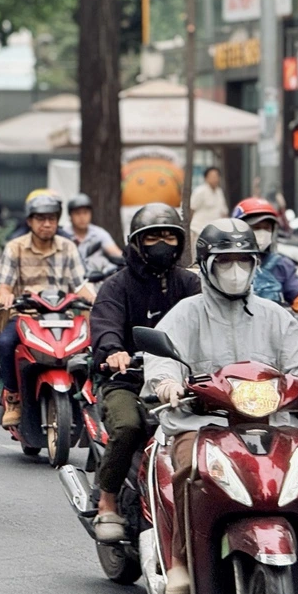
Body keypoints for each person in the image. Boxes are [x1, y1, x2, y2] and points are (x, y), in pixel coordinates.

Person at [143, 218, 298, 594]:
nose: (235, 271)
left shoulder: (275, 315)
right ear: (208, 266)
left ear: (254, 265)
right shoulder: (185, 313)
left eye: (244, 262)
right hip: (200, 423)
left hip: (271, 423)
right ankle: (180, 559)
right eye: (226, 261)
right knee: (188, 468)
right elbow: (161, 359)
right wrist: (167, 382)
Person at [88, 204, 200, 543]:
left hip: (184, 381)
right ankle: (107, 499)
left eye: (169, 235)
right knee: (128, 426)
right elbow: (105, 325)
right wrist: (114, 350)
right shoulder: (115, 286)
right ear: (136, 243)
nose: (162, 243)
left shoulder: (191, 283)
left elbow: (208, 321)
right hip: (128, 380)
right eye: (152, 236)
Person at [0, 193, 95, 427]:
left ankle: (90, 397)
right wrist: (6, 296)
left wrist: (98, 300)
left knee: (90, 346)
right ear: (30, 221)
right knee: (6, 343)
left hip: (63, 318)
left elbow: (80, 285)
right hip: (26, 317)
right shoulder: (15, 248)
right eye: (40, 218)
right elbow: (4, 287)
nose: (47, 224)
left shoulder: (68, 247)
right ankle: (13, 397)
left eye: (51, 218)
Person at [231, 198, 298, 333]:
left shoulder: (281, 264)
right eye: (256, 228)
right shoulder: (226, 262)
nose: (262, 233)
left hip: (276, 333)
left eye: (266, 228)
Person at [65, 193, 121, 269]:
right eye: (77, 213)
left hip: (97, 277)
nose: (82, 217)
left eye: (85, 213)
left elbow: (117, 254)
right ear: (70, 216)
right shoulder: (64, 234)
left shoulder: (99, 233)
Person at [188, 167, 229, 237]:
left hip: (215, 231)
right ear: (206, 178)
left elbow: (224, 213)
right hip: (198, 230)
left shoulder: (219, 192)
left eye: (217, 176)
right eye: (212, 176)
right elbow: (191, 209)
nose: (215, 179)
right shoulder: (200, 191)